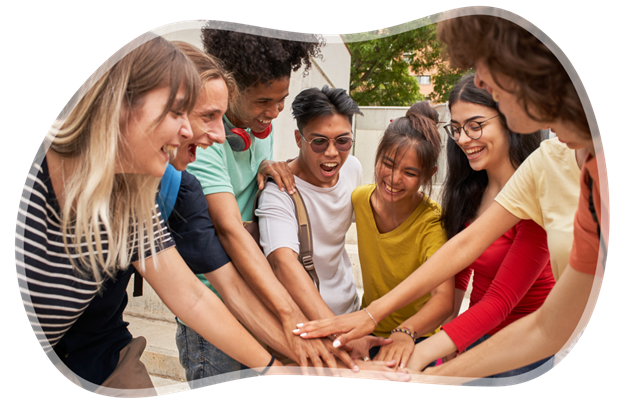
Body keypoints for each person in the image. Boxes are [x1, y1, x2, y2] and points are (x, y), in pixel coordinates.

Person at [295, 13, 608, 382]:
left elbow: (513, 309)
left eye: (475, 124)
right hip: (480, 340)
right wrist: (389, 333)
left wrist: (409, 342)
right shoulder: (552, 165)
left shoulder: (564, 169)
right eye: (457, 128)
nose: (478, 80)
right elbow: (464, 258)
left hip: (514, 348)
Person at [17, 35, 283, 397]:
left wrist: (274, 368)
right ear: (121, 102)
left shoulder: (133, 195)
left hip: (98, 354)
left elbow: (192, 297)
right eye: (178, 112)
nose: (191, 131)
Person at [186, 28, 367, 372]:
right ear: (230, 89)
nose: (274, 112)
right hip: (216, 301)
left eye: (281, 99)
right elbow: (230, 231)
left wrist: (267, 163)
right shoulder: (206, 143)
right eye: (263, 102)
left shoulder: (258, 132)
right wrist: (291, 315)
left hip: (256, 293)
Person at [404, 74, 555, 377]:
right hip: (475, 333)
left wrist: (426, 350)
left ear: (510, 119)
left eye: (475, 126)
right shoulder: (471, 189)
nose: (462, 139)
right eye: (457, 129)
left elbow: (500, 302)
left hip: (522, 350)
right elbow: (458, 278)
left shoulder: (538, 193)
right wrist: (445, 338)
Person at [351, 102, 454, 370]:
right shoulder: (360, 199)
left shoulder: (431, 222)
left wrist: (407, 332)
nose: (394, 179)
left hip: (416, 337)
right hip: (368, 333)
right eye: (388, 164)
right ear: (378, 155)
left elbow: (444, 298)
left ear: (428, 175)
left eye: (409, 173)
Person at [256, 85, 366, 334]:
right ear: (298, 139)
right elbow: (283, 264)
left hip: (350, 311)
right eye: (318, 142)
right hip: (306, 325)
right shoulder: (280, 192)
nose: (332, 153)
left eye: (343, 141)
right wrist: (338, 333)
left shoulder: (352, 168)